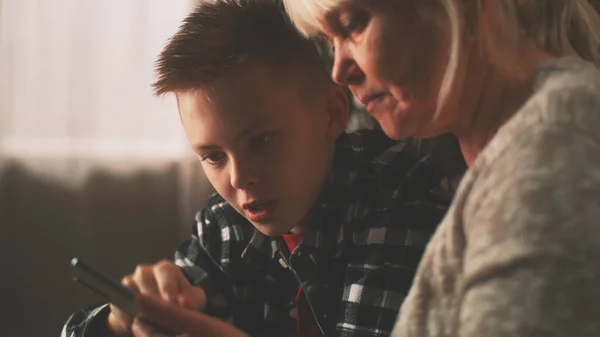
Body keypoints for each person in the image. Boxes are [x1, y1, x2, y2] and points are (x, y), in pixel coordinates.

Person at [61, 0, 458, 336]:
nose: (238, 178)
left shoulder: (399, 196)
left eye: (261, 141)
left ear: (331, 114)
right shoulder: (227, 225)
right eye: (213, 156)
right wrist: (121, 321)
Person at [280, 0, 600, 336]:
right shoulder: (497, 162)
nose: (339, 71)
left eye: (353, 25)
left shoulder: (549, 152)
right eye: (330, 43)